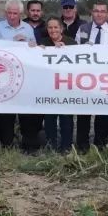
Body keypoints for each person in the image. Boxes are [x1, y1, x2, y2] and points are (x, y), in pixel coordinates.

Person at [0, 0, 39, 148]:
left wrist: (29, 45)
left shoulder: (28, 28)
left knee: (25, 112)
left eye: (15, 13)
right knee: (6, 113)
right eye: (9, 13)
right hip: (5, 75)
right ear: (5, 13)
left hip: (24, 75)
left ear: (20, 14)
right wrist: (14, 42)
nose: (12, 16)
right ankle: (7, 145)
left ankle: (27, 145)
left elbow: (34, 50)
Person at [75, 3, 108, 150]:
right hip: (85, 79)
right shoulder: (83, 29)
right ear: (92, 12)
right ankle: (82, 146)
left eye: (103, 11)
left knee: (103, 115)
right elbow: (74, 52)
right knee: (84, 115)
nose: (99, 14)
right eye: (96, 11)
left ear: (107, 14)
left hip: (106, 80)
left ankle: (100, 145)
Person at [38, 17, 75, 152]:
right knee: (49, 120)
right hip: (48, 89)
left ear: (61, 28)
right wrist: (36, 49)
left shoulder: (71, 43)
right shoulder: (42, 43)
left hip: (66, 87)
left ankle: (67, 147)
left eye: (55, 27)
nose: (53, 30)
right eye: (50, 27)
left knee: (66, 120)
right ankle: (51, 147)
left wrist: (64, 49)